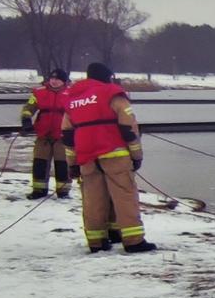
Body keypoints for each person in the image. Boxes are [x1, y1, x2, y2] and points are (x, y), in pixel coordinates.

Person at [62, 62, 156, 253]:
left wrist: (72, 163)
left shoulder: (73, 99)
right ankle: (133, 241)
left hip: (87, 156)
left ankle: (96, 242)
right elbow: (128, 127)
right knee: (124, 196)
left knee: (93, 200)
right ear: (107, 76)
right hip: (114, 153)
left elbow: (67, 134)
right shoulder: (112, 94)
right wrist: (136, 155)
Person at [20, 68, 73, 199]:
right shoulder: (39, 92)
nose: (54, 81)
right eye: (52, 78)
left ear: (64, 81)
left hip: (62, 136)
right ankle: (39, 190)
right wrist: (26, 120)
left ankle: (63, 191)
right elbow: (28, 107)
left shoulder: (72, 94)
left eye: (57, 79)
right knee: (40, 163)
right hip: (43, 135)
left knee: (62, 164)